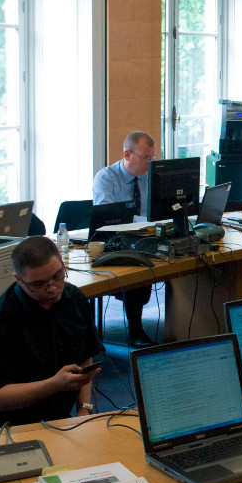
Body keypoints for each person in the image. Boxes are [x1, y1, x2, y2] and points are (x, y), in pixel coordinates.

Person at [0, 235, 102, 427]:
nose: (52, 288)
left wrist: (84, 408)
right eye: (39, 284)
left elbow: (85, 358)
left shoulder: (74, 298)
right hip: (12, 428)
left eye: (57, 276)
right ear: (19, 280)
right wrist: (54, 385)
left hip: (61, 421)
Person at [92, 131, 158, 347]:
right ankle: (135, 331)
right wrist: (145, 221)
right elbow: (107, 219)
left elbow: (159, 211)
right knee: (136, 267)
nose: (149, 163)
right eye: (145, 158)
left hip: (145, 237)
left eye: (152, 158)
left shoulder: (149, 177)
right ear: (128, 155)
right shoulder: (106, 178)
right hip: (114, 241)